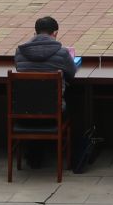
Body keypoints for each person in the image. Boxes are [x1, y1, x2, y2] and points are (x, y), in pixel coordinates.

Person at [12, 15, 81, 171]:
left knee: (36, 101)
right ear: (55, 33)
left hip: (23, 111)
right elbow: (72, 73)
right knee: (76, 103)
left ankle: (32, 155)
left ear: (35, 33)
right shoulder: (62, 53)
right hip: (53, 111)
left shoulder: (20, 52)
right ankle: (72, 158)